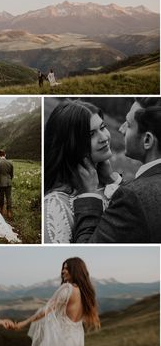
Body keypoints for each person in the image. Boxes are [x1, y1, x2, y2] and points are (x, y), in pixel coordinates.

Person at [72, 97, 161, 243]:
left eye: (129, 125)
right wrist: (114, 180)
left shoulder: (131, 197)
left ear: (147, 140)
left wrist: (89, 194)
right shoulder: (135, 194)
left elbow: (88, 249)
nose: (121, 129)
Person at [44, 99, 120, 243]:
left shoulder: (109, 185)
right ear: (70, 144)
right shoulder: (56, 207)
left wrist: (112, 180)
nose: (104, 138)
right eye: (91, 134)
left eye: (103, 127)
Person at [14, 257, 100, 346]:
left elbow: (45, 311)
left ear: (75, 270)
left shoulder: (67, 289)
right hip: (77, 340)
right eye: (63, 268)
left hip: (62, 339)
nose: (63, 271)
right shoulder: (86, 293)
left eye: (67, 269)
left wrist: (23, 323)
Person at [0, 149, 14, 220]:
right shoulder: (10, 162)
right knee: (9, 197)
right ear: (5, 155)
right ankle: (9, 211)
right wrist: (9, 179)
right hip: (9, 182)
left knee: (1, 196)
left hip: (1, 182)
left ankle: (1, 210)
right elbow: (12, 174)